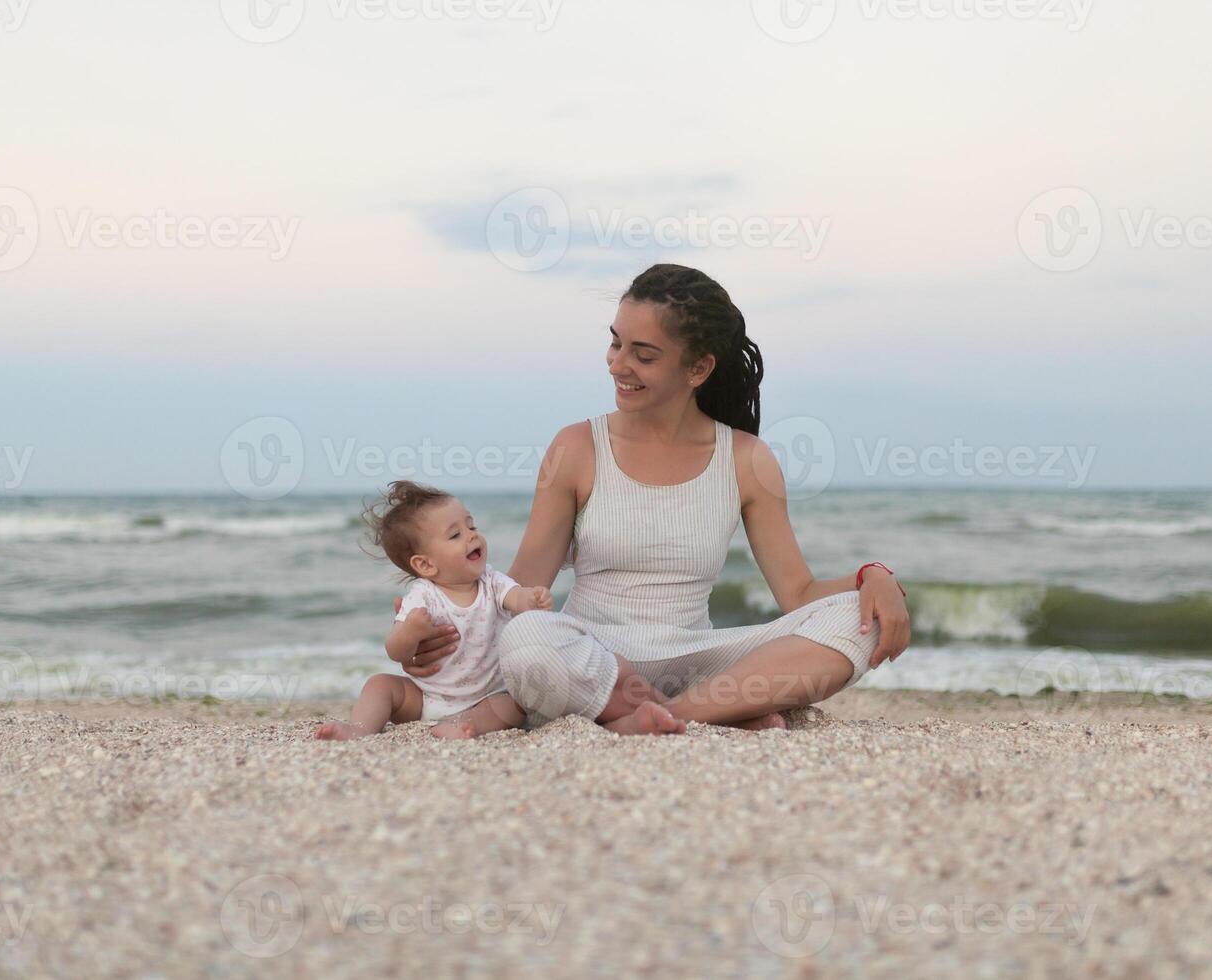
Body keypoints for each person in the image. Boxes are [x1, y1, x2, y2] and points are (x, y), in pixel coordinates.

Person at [389, 263, 912, 735]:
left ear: (697, 369)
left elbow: (798, 593)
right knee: (528, 639)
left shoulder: (747, 459)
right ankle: (708, 714)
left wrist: (873, 578)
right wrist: (447, 614)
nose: (618, 365)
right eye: (616, 344)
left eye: (643, 355)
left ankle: (673, 714)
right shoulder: (576, 447)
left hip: (699, 660)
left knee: (853, 620)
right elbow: (524, 591)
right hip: (592, 653)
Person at [316, 481, 552, 741]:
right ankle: (359, 728)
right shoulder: (423, 596)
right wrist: (410, 632)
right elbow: (396, 651)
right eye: (455, 535)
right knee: (380, 684)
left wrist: (531, 599)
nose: (472, 535)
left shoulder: (492, 581)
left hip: (487, 696)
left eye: (471, 525)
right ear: (426, 565)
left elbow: (515, 597)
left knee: (514, 707)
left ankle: (463, 725)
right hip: (427, 697)